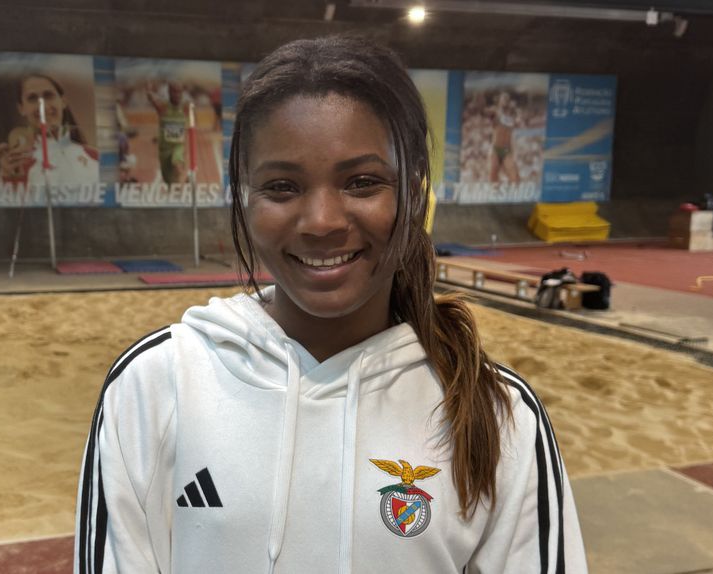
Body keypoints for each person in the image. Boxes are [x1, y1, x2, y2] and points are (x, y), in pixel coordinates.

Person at [75, 35, 586, 573]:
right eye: (282, 186)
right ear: (244, 200)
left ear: (414, 194)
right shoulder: (154, 386)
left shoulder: (500, 416)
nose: (321, 221)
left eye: (362, 182)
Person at [0, 73, 98, 198]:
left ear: (63, 101)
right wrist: (10, 177)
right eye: (32, 98)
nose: (42, 105)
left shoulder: (94, 156)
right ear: (21, 108)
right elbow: (11, 206)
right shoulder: (16, 165)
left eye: (48, 95)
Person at [146, 80, 190, 184]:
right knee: (169, 182)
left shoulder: (185, 107)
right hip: (164, 150)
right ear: (169, 92)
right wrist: (149, 89)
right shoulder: (163, 107)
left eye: (179, 92)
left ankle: (182, 179)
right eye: (174, 91)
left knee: (177, 163)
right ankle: (179, 183)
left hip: (178, 146)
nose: (177, 95)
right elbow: (151, 97)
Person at [487, 91, 522, 184]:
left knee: (515, 177)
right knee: (493, 175)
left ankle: (511, 189)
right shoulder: (496, 112)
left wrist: (517, 112)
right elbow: (489, 113)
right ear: (499, 101)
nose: (505, 101)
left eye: (506, 99)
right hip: (495, 149)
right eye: (503, 99)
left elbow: (518, 122)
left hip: (506, 150)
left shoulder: (512, 116)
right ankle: (494, 190)